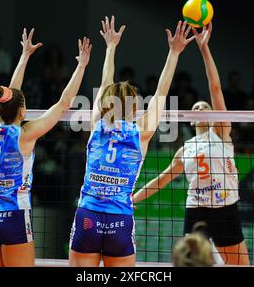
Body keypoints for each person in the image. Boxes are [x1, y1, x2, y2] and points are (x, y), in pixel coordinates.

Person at [69, 16, 194, 267]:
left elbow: (105, 83)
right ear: (135, 105)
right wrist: (174, 53)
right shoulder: (142, 132)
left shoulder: (97, 125)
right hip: (120, 220)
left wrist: (110, 48)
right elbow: (161, 92)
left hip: (88, 217)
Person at [133, 22, 250, 265]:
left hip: (226, 206)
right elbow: (162, 180)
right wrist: (131, 199)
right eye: (196, 108)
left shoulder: (221, 132)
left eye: (204, 107)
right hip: (196, 209)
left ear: (212, 115)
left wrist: (204, 49)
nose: (200, 109)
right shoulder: (185, 149)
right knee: (191, 263)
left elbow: (215, 88)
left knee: (241, 265)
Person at [0, 28, 91, 267]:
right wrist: (81, 66)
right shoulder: (26, 134)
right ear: (22, 111)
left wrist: (24, 56)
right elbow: (63, 104)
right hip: (14, 216)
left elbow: (11, 94)